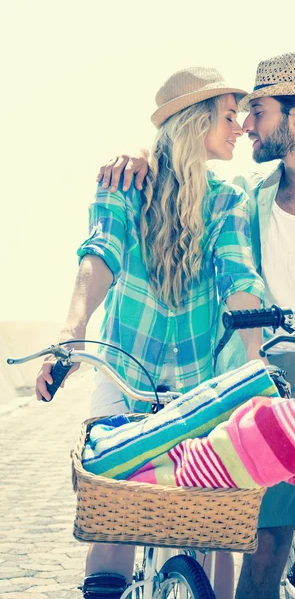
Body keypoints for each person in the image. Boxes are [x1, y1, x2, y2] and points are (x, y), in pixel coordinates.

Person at [98, 52, 295, 599]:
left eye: (257, 111)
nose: (245, 124)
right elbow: (184, 168)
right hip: (284, 372)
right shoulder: (245, 199)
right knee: (269, 527)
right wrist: (138, 153)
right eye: (240, 113)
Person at [35, 66, 268, 599]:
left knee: (215, 515)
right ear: (193, 123)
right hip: (125, 366)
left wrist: (258, 365)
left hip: (198, 378)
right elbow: (101, 255)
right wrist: (72, 332)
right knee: (115, 504)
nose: (239, 128)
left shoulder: (225, 199)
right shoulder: (124, 184)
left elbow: (238, 277)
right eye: (229, 117)